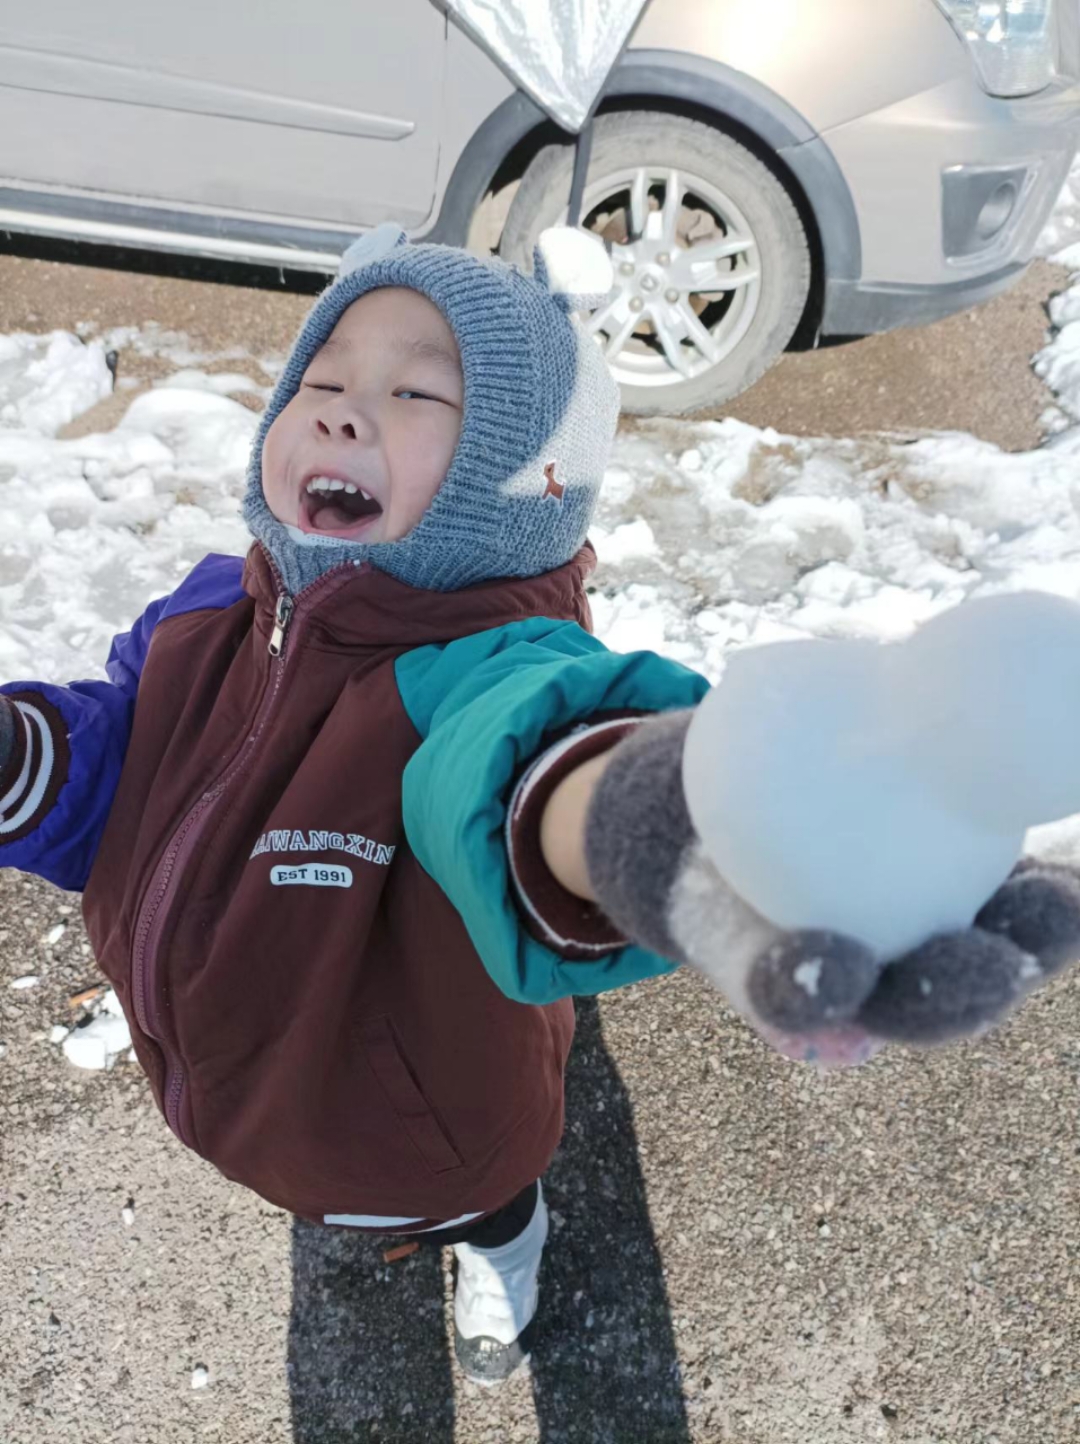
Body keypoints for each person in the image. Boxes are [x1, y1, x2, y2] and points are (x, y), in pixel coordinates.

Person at [2, 225, 1078, 1388]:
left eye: (416, 390)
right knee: (332, 1190)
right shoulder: (209, 610)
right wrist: (29, 756)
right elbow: (131, 753)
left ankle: (508, 1257)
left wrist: (667, 818)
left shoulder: (478, 670)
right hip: (244, 1096)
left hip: (440, 1141)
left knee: (487, 1206)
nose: (343, 409)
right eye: (321, 378)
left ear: (521, 480)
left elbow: (519, 759)